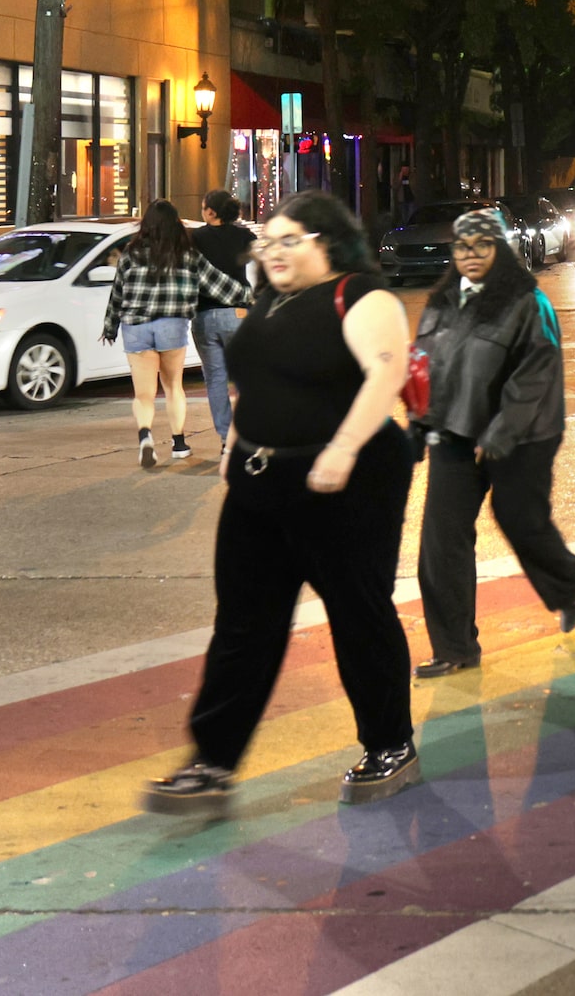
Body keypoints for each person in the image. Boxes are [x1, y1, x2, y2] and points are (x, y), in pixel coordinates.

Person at [141, 191, 419, 814]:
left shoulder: (362, 296)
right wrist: (234, 445)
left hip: (348, 479)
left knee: (357, 613)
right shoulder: (267, 302)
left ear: (329, 242)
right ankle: (212, 761)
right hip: (261, 480)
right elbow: (253, 381)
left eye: (290, 240)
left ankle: (390, 744)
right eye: (267, 243)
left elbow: (386, 373)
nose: (273, 253)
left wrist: (344, 450)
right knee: (242, 624)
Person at [413, 208, 575, 679]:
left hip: (522, 436)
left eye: (482, 246)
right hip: (454, 434)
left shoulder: (528, 302)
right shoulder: (442, 301)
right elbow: (423, 369)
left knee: (519, 520)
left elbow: (536, 372)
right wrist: (416, 425)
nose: (471, 256)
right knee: (440, 541)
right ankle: (454, 648)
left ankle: (569, 585)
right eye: (462, 247)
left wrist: (500, 432)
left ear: (501, 249)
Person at [103, 199, 252, 469]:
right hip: (171, 325)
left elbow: (118, 294)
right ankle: (179, 443)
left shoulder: (130, 253)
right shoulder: (186, 254)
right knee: (173, 387)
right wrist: (248, 296)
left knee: (144, 394)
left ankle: (145, 437)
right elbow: (216, 284)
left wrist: (110, 326)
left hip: (136, 327)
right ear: (176, 225)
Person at [191, 190, 257, 448]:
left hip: (205, 314)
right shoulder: (244, 236)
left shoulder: (195, 238)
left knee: (215, 379)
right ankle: (246, 433)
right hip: (237, 313)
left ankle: (226, 439)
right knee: (243, 376)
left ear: (211, 212)